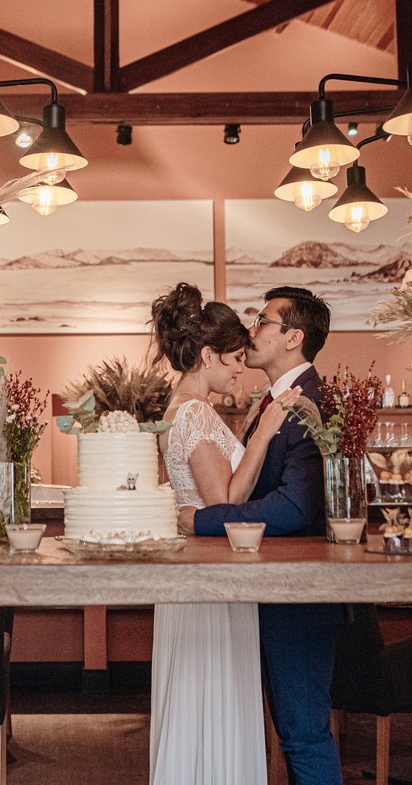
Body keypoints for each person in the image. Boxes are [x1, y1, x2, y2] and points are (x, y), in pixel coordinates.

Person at [178, 286, 346, 785]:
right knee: (292, 732)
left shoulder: (310, 404)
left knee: (304, 733)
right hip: (271, 590)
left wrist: (201, 520)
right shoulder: (273, 403)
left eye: (263, 321)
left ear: (293, 337)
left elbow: (295, 507)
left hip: (302, 594)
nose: (251, 331)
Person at [148, 283, 300, 785]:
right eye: (234, 359)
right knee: (214, 693)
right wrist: (263, 434)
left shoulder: (177, 408)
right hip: (211, 577)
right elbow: (225, 504)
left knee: (194, 695)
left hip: (191, 575)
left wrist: (246, 435)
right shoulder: (196, 412)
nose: (240, 369)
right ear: (207, 355)